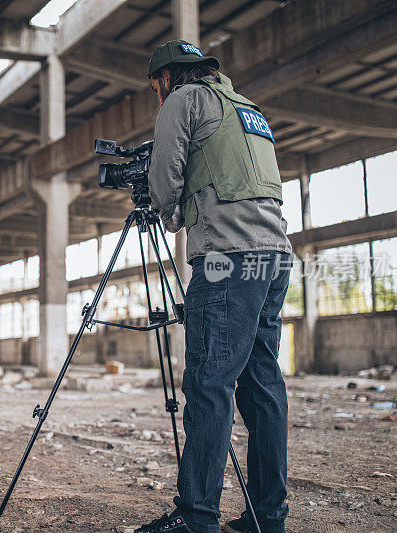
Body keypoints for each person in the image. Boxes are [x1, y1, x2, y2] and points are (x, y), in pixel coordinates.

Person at [136, 40, 293, 533]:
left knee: (208, 383)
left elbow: (165, 176)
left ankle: (196, 517)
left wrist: (172, 215)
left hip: (226, 259)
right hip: (274, 257)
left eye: (155, 88)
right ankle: (268, 517)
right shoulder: (249, 108)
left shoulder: (183, 100)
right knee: (263, 385)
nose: (158, 96)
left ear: (166, 78)